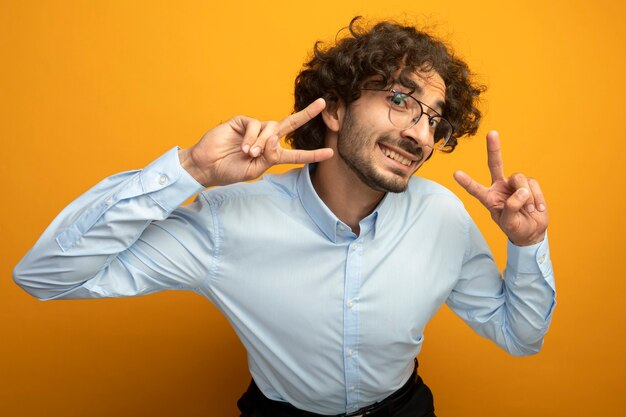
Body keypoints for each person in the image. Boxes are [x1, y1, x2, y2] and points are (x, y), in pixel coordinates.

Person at [14, 17, 555, 417]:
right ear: (336, 109)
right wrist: (188, 170)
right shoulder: (229, 222)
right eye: (398, 99)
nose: (419, 133)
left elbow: (520, 335)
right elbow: (45, 275)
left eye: (433, 119)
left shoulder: (443, 216)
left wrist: (528, 244)